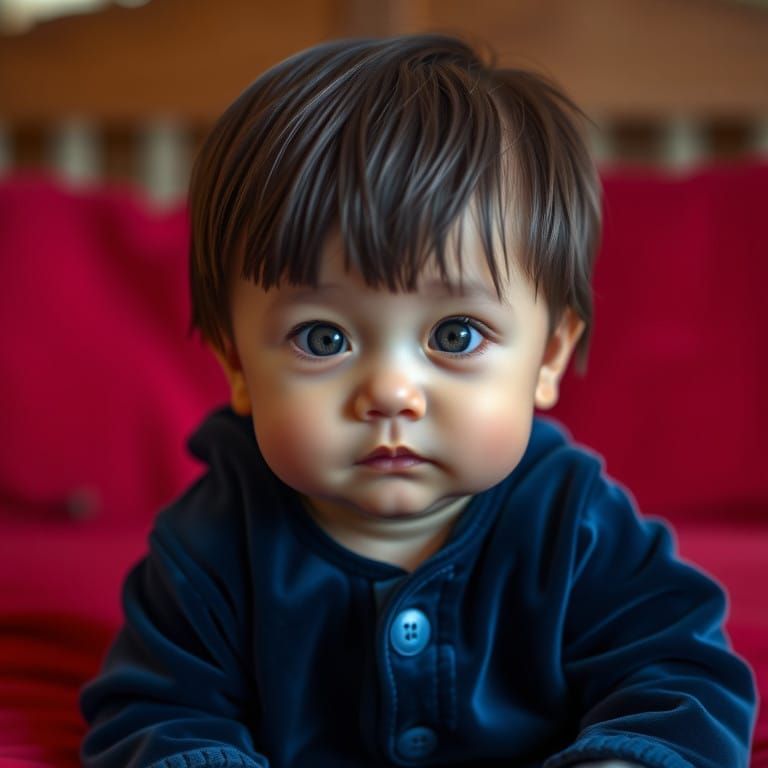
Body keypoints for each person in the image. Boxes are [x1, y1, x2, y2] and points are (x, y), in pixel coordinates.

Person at [79, 34, 756, 768]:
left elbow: (681, 677)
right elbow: (157, 715)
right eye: (323, 338)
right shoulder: (210, 546)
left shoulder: (575, 524)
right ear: (237, 364)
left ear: (548, 357)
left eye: (456, 334)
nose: (392, 393)